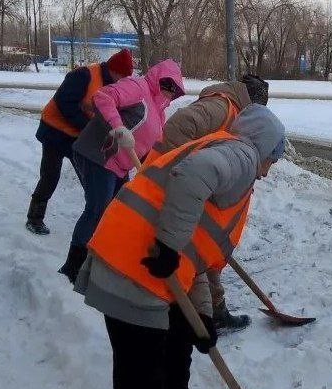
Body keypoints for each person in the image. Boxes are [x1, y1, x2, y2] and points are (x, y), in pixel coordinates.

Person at [70, 104, 286, 389]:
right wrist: (168, 246)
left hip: (137, 267)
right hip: (134, 273)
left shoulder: (228, 150)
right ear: (264, 147)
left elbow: (197, 251)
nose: (270, 169)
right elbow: (194, 179)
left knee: (179, 340)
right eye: (275, 157)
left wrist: (201, 318)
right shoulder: (241, 156)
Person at [151, 73, 270, 333]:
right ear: (252, 103)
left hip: (191, 188)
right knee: (197, 256)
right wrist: (185, 172)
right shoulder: (221, 107)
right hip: (173, 187)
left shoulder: (233, 111)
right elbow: (177, 127)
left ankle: (215, 311)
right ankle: (210, 313)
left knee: (206, 252)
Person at [58, 59, 185, 283]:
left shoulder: (160, 111)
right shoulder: (137, 87)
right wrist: (118, 126)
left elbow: (151, 145)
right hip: (99, 155)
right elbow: (103, 96)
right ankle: (72, 266)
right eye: (166, 83)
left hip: (119, 165)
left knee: (117, 211)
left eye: (173, 88)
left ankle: (101, 258)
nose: (168, 90)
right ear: (157, 78)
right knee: (97, 209)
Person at [26, 49, 134, 235]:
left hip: (78, 136)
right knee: (50, 176)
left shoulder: (112, 85)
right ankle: (34, 218)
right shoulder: (84, 75)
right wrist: (90, 127)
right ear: (114, 70)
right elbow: (64, 104)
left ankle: (96, 219)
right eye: (122, 76)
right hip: (54, 131)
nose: (122, 81)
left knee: (90, 180)